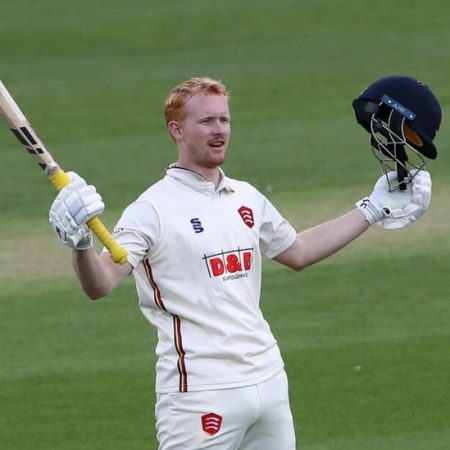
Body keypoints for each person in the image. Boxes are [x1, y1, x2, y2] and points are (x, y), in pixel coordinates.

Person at [48, 76, 437, 449]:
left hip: (268, 380)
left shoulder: (245, 197)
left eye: (224, 119)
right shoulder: (151, 210)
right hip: (200, 393)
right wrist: (81, 244)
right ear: (176, 131)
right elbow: (100, 284)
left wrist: (370, 210)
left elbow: (298, 251)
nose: (219, 130)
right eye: (205, 121)